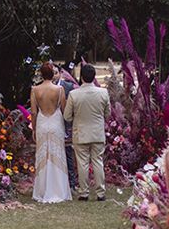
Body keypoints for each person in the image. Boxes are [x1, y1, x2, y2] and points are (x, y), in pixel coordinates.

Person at [64, 63, 111, 202]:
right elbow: (108, 114)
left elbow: (67, 116)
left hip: (81, 132)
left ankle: (84, 192)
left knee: (82, 163)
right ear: (94, 77)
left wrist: (76, 119)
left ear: (81, 77)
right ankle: (100, 192)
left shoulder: (74, 94)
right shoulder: (103, 93)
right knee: (98, 162)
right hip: (97, 133)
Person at [31, 62, 72, 203]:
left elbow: (34, 112)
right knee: (57, 154)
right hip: (56, 122)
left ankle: (42, 190)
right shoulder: (59, 89)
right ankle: (59, 189)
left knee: (43, 154)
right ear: (52, 74)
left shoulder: (35, 90)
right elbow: (65, 110)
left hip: (42, 122)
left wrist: (34, 128)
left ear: (41, 74)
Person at [56, 63, 78, 190]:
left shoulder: (68, 87)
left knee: (68, 153)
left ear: (60, 73)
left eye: (55, 72)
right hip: (51, 123)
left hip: (66, 124)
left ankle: (72, 183)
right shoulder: (43, 88)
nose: (54, 75)